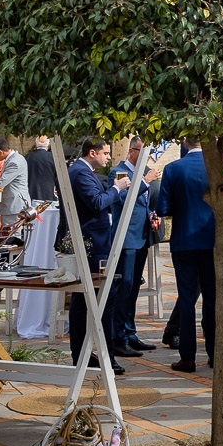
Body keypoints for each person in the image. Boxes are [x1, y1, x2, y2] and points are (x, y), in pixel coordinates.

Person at [153, 136, 215, 372]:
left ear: (186, 143)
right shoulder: (218, 166)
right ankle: (214, 353)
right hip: (211, 238)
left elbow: (163, 207)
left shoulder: (173, 168)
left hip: (184, 238)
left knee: (187, 299)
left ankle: (188, 357)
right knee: (212, 298)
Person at [67, 138, 127, 372]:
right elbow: (96, 202)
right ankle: (105, 356)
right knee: (102, 299)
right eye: (105, 153)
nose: (108, 158)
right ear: (92, 153)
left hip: (90, 239)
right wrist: (117, 188)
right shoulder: (81, 173)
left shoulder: (82, 170)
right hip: (92, 241)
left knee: (84, 301)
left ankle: (84, 354)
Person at [108, 139, 160, 356]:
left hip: (142, 234)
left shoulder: (146, 172)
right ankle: (117, 337)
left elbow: (146, 201)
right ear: (131, 151)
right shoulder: (119, 172)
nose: (147, 158)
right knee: (124, 286)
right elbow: (121, 198)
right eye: (144, 152)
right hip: (126, 236)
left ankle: (130, 332)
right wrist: (146, 181)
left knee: (134, 287)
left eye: (150, 154)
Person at [0, 136, 30, 223]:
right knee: (12, 234)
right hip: (15, 204)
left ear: (1, 152)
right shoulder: (15, 158)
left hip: (14, 205)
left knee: (11, 234)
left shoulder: (14, 162)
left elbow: (1, 183)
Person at [26, 134, 59, 203]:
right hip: (49, 193)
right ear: (48, 145)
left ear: (36, 145)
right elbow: (58, 178)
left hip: (31, 193)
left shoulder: (27, 158)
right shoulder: (54, 158)